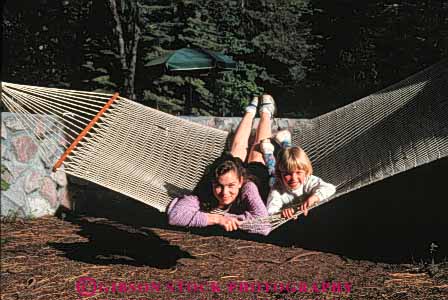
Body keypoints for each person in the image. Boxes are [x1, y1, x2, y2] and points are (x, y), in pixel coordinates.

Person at [167, 94, 277, 235]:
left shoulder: (248, 187)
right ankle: (250, 112)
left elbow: (264, 226)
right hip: (234, 172)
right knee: (236, 149)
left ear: (240, 182)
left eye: (231, 186)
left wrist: (226, 218)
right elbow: (176, 216)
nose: (225, 193)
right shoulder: (205, 189)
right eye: (219, 186)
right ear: (212, 182)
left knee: (258, 148)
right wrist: (217, 219)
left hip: (256, 175)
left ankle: (265, 113)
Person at [265, 146, 336, 219]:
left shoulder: (309, 180)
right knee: (271, 171)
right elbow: (270, 211)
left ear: (306, 172)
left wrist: (314, 197)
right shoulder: (277, 190)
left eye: (298, 172)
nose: (294, 178)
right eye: (287, 174)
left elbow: (331, 188)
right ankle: (268, 152)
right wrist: (281, 212)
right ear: (280, 174)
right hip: (275, 180)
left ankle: (285, 144)